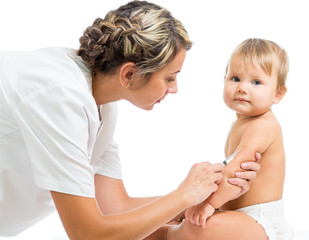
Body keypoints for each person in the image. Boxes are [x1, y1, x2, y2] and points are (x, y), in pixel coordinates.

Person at [0, 1, 262, 239]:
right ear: (129, 74)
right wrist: (184, 195)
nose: (175, 88)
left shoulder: (99, 106)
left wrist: (197, 200)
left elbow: (116, 208)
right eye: (170, 77)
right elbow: (88, 234)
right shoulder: (60, 96)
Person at [165, 38, 293, 240]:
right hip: (239, 217)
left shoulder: (262, 126)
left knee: (194, 228)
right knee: (183, 213)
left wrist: (207, 205)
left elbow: (236, 172)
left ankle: (167, 234)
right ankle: (168, 228)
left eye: (256, 82)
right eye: (235, 78)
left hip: (259, 221)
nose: (242, 88)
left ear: (278, 93)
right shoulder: (241, 123)